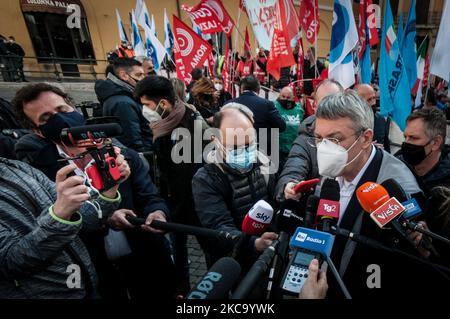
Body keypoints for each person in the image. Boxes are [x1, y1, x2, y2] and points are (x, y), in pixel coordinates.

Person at [11, 83, 176, 299]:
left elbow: (150, 196)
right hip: (93, 272)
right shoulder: (38, 170)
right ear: (36, 130)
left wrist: (158, 213)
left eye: (62, 110)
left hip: (145, 258)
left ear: (74, 108)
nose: (59, 120)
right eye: (46, 118)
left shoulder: (121, 152)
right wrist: (105, 216)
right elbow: (48, 228)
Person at [313, 91, 431, 298]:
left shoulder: (399, 188)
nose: (324, 148)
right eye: (319, 138)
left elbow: (406, 268)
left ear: (366, 138)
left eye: (335, 139)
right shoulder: (333, 171)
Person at [134, 75, 211, 295]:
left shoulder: (190, 125)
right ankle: (182, 291)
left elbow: (191, 173)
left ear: (164, 103)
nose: (144, 111)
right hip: (173, 201)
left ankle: (214, 289)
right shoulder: (166, 122)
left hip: (193, 205)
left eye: (147, 105)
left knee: (207, 249)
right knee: (178, 253)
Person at [192, 104, 278, 273]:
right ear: (215, 140)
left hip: (266, 254)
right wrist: (253, 243)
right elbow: (218, 226)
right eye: (235, 147)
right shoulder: (206, 179)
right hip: (230, 261)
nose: (244, 151)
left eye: (249, 144)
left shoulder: (263, 162)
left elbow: (274, 201)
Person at [276, 79, 343, 202]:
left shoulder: (354, 135)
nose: (330, 108)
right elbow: (294, 166)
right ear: (315, 105)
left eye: (334, 102)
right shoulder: (306, 139)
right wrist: (290, 185)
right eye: (324, 103)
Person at [95, 58, 152, 153]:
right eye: (139, 75)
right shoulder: (123, 103)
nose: (143, 78)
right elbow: (133, 141)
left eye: (143, 74)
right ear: (124, 75)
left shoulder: (125, 96)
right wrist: (146, 159)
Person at [227, 75, 286, 158]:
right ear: (258, 90)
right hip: (261, 154)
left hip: (234, 152)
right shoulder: (267, 104)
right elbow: (281, 126)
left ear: (241, 89)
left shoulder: (228, 104)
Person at [396, 108, 449, 193]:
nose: (406, 143)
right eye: (405, 137)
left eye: (414, 138)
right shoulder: (396, 165)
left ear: (436, 142)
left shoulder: (446, 185)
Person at [274, 86, 304, 165]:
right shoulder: (274, 107)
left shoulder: (299, 109)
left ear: (293, 98)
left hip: (294, 150)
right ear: (279, 96)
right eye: (283, 96)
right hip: (278, 150)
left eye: (288, 97)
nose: (285, 99)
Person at [355, 84, 390, 152]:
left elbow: (386, 148)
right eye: (369, 100)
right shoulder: (348, 122)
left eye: (374, 98)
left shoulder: (380, 120)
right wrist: (368, 147)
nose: (373, 103)